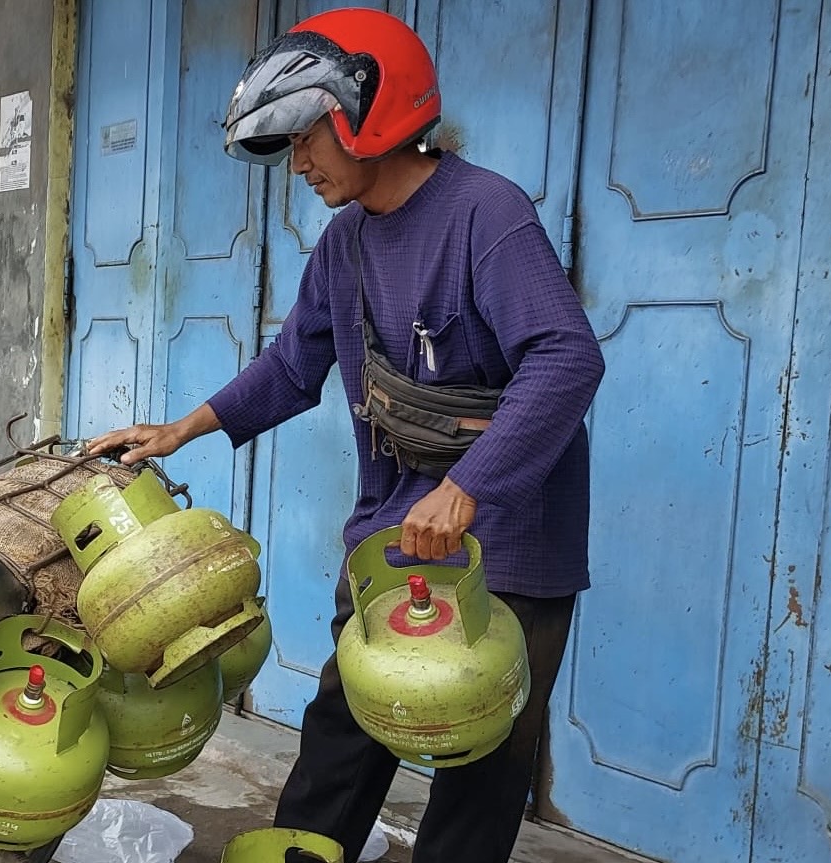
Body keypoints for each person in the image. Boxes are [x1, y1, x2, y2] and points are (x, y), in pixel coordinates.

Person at [87, 8, 605, 863]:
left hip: (505, 541)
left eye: (306, 138)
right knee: (341, 732)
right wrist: (183, 429)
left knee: (481, 763)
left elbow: (566, 357)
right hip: (391, 534)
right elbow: (294, 365)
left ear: (369, 112)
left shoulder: (487, 213)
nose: (297, 164)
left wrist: (468, 486)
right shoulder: (344, 243)